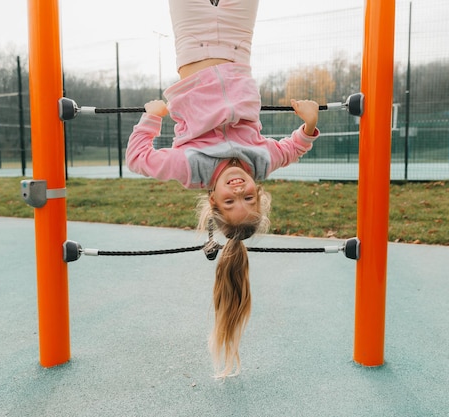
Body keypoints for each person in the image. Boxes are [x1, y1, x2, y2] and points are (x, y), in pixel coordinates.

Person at [125, 0, 320, 379]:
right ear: (258, 192)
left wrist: (151, 118)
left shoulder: (190, 167)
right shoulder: (261, 161)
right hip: (236, 46)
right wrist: (309, 126)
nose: (238, 189)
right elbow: (293, 147)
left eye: (230, 201)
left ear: (213, 200)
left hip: (194, 43)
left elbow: (138, 158)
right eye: (248, 197)